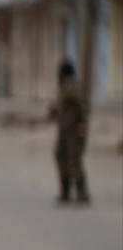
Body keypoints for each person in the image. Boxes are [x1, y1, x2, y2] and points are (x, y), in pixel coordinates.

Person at [49, 58, 90, 205]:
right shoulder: (63, 87)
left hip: (74, 132)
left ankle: (82, 192)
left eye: (59, 72)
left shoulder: (72, 87)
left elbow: (82, 106)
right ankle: (65, 191)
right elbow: (59, 107)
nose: (57, 75)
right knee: (60, 157)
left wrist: (82, 124)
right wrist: (51, 114)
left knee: (74, 160)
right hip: (64, 131)